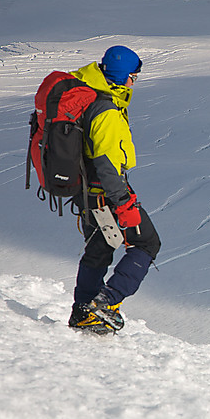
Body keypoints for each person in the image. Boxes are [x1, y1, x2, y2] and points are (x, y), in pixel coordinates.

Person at [67, 45, 161, 334]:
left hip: (84, 190)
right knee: (146, 243)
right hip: (106, 192)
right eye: (133, 76)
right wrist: (124, 204)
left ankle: (83, 312)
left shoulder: (87, 95)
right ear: (121, 77)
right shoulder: (105, 110)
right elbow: (106, 164)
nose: (134, 82)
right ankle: (106, 302)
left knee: (99, 248)